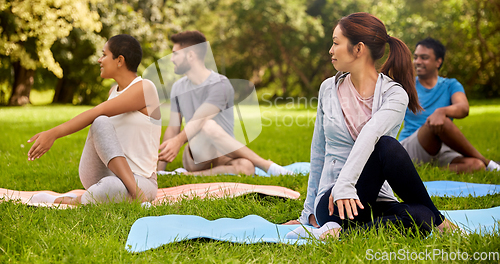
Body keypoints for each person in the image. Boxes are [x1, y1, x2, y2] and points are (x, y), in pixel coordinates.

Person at [285, 13, 455, 239]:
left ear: (358, 49)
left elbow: (371, 133)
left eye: (336, 43)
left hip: (376, 200)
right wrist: (308, 213)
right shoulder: (328, 88)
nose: (331, 50)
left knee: (420, 213)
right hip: (335, 202)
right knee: (425, 217)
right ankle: (440, 223)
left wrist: (349, 184)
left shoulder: (394, 94)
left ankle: (337, 235)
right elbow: (319, 151)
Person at [27, 34, 162, 205]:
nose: (99, 60)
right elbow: (99, 119)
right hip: (107, 173)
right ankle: (134, 195)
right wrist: (52, 134)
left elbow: (96, 111)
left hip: (142, 180)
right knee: (100, 122)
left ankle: (68, 200)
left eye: (104, 54)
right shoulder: (113, 92)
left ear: (119, 60)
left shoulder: (145, 88)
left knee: (110, 188)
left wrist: (54, 133)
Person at [157, 30, 291, 176]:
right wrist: (159, 170)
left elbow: (201, 117)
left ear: (190, 55)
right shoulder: (178, 87)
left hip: (223, 154)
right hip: (196, 155)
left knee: (247, 167)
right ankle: (267, 165)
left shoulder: (220, 84)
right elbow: (173, 128)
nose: (171, 59)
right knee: (207, 125)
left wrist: (178, 142)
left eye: (175, 53)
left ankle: (185, 175)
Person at [399, 37, 499, 173]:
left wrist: (441, 111)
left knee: (476, 165)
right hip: (410, 146)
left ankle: (429, 171)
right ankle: (489, 163)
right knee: (442, 122)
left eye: (424, 57)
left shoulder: (451, 85)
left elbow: (463, 108)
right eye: (416, 57)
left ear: (438, 62)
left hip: (440, 147)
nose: (417, 62)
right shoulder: (407, 86)